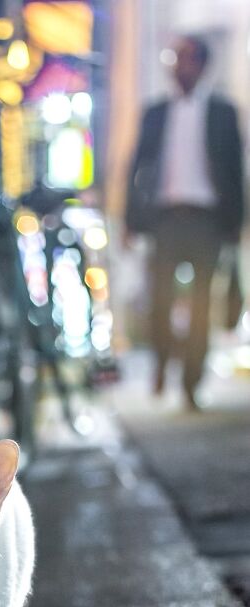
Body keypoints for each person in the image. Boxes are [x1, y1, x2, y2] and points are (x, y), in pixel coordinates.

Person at [125, 35, 245, 408]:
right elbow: (137, 167)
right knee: (159, 300)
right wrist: (130, 220)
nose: (181, 66)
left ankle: (192, 382)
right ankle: (162, 363)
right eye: (177, 58)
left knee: (201, 304)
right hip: (165, 218)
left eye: (189, 59)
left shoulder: (223, 112)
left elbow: (236, 171)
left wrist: (237, 224)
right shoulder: (157, 112)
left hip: (207, 219)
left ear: (204, 66)